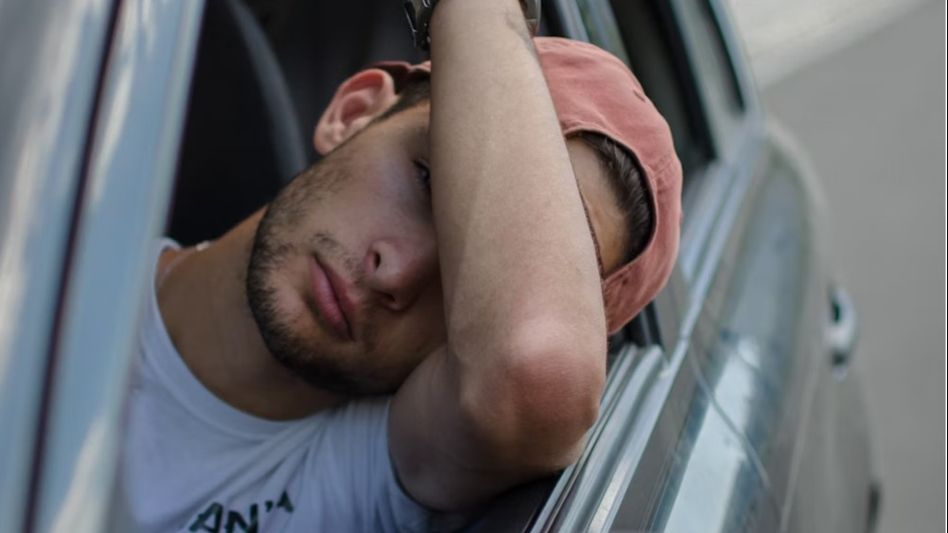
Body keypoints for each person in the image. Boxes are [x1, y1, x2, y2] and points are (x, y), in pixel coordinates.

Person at [120, 1, 681, 531]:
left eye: (468, 273)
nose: (397, 273)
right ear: (354, 112)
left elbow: (529, 368)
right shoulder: (47, 223)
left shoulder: (361, 472)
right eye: (426, 182)